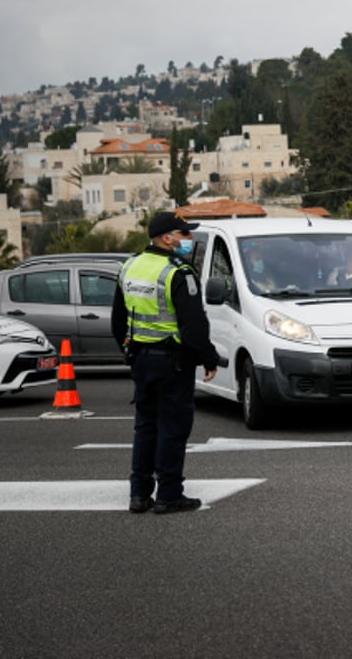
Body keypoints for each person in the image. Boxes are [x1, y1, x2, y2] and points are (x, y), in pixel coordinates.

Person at [112, 211, 220, 515]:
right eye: (184, 234)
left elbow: (118, 321)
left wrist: (130, 351)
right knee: (173, 428)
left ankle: (139, 494)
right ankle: (169, 495)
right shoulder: (178, 272)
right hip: (173, 363)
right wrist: (208, 358)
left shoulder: (129, 266)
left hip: (141, 360)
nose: (189, 239)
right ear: (167, 238)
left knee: (146, 427)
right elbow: (194, 326)